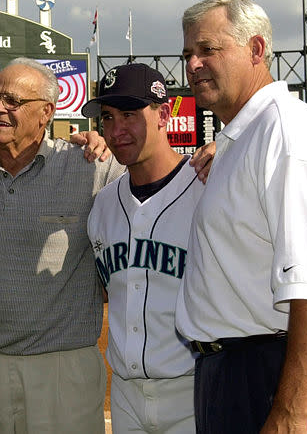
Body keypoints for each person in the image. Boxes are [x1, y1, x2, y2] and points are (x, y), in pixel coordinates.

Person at [175, 0, 307, 433]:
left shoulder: (287, 130)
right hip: (238, 369)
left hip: (271, 375)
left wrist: (291, 415)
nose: (193, 64)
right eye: (188, 54)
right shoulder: (246, 137)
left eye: (208, 50)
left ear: (256, 49)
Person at [0, 57, 127, 433]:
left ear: (47, 112)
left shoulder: (92, 166)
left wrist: (213, 157)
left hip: (62, 367)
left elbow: (158, 181)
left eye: (13, 101)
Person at [83, 63, 204, 433]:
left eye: (130, 115)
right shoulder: (102, 205)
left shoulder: (206, 188)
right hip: (124, 395)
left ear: (164, 115)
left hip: (194, 388)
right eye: (107, 117)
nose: (116, 130)